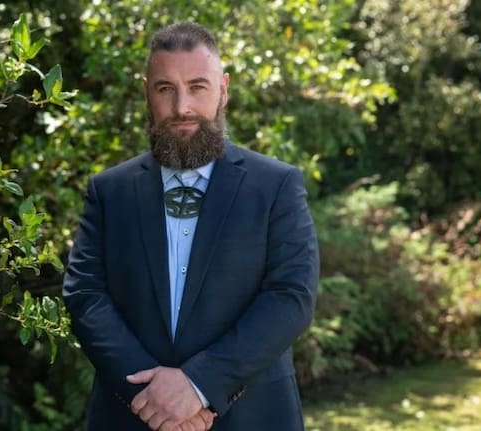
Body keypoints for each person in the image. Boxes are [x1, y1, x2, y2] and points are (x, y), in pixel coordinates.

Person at [62, 22, 319, 431]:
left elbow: (291, 297)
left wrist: (199, 386)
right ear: (147, 92)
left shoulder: (276, 185)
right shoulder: (109, 191)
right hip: (131, 415)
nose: (182, 106)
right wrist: (154, 398)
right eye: (166, 88)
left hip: (253, 416)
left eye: (198, 87)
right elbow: (85, 294)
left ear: (223, 89)